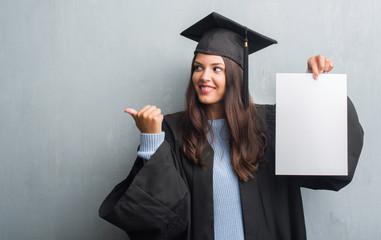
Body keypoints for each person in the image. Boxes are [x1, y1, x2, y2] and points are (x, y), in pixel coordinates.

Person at [99, 12, 364, 240]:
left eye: (217, 69)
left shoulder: (270, 126)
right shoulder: (173, 130)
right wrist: (151, 142)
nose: (204, 77)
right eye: (198, 67)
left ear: (236, 75)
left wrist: (317, 90)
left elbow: (327, 166)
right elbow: (162, 219)